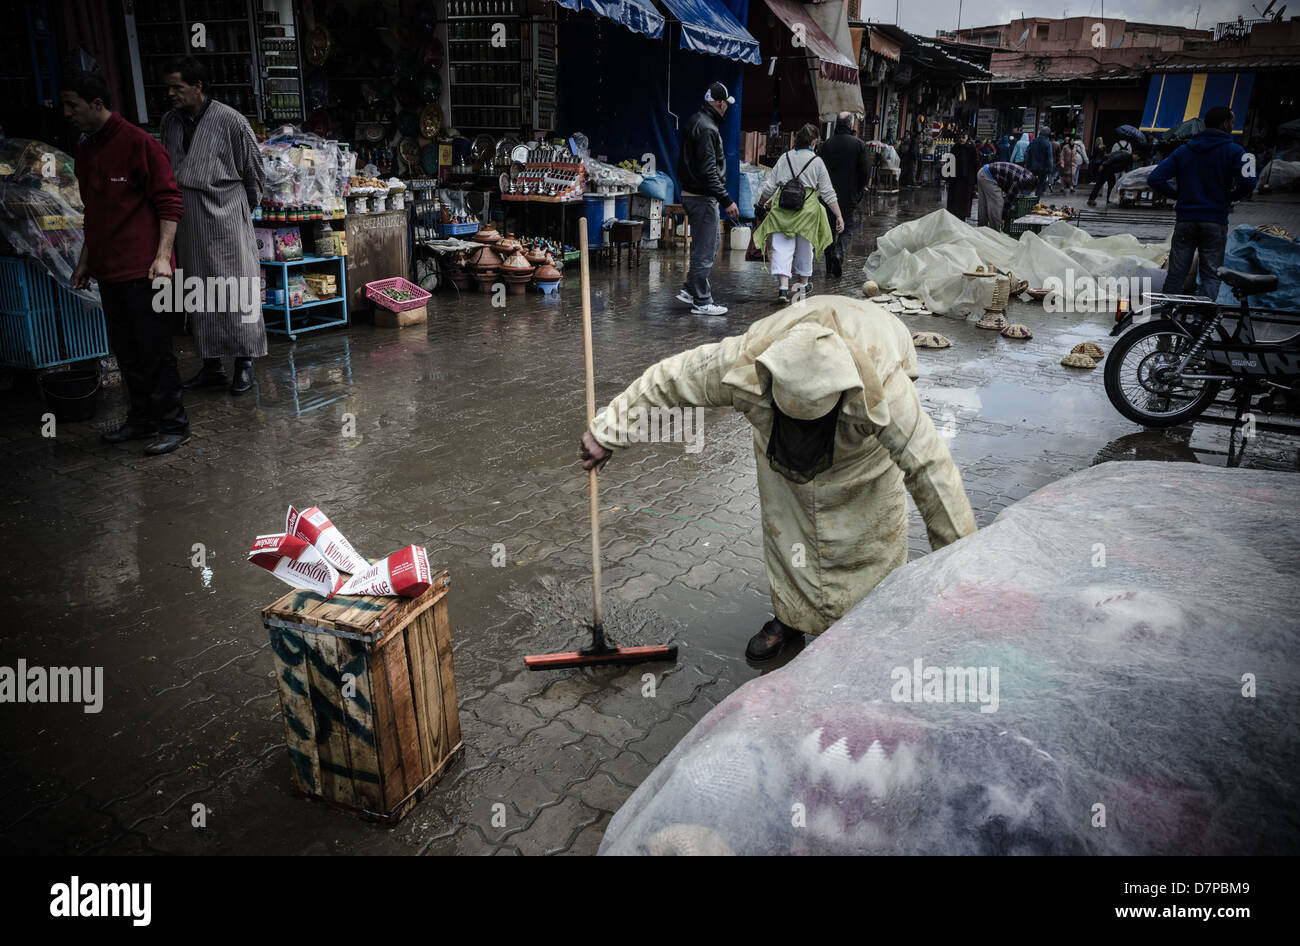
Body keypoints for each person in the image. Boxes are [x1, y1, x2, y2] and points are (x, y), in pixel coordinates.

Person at [578, 296, 977, 660]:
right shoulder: (745, 362)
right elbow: (672, 378)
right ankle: (791, 619)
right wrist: (608, 431)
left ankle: (870, 627)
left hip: (863, 435)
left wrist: (965, 586)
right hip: (776, 442)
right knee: (788, 526)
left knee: (873, 528)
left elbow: (932, 473)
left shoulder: (885, 390)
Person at [63, 70, 190, 456]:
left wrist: (162, 258)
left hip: (145, 270)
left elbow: (170, 203)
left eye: (73, 105)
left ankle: (173, 424)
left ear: (97, 104)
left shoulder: (140, 144)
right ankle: (141, 419)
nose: (66, 113)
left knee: (154, 349)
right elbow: (95, 213)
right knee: (126, 351)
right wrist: (86, 260)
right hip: (108, 269)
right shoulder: (86, 150)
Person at [160, 57, 266, 396]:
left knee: (237, 288)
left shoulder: (231, 121)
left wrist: (237, 211)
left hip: (227, 215)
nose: (171, 94)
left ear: (198, 87)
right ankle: (212, 365)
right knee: (199, 292)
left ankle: (245, 363)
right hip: (187, 221)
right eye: (169, 88)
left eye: (178, 87)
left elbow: (255, 174)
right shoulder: (170, 122)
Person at [1148, 106, 1257, 302]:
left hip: (1185, 221)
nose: (1232, 125)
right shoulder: (1234, 151)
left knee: (1176, 273)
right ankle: (1201, 322)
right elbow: (1249, 182)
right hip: (1215, 221)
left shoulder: (1184, 150)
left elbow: (1155, 178)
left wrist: (1178, 196)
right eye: (1231, 122)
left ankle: (1167, 319)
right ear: (1225, 123)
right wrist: (1228, 198)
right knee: (1210, 275)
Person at [754, 124, 843, 304]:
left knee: (781, 247)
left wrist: (761, 203)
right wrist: (839, 215)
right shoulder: (817, 161)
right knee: (805, 249)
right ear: (813, 141)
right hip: (807, 211)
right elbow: (827, 192)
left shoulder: (784, 157)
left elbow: (770, 186)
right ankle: (800, 288)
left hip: (783, 208)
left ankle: (783, 288)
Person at [676, 81, 740, 316]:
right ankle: (701, 302)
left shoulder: (697, 120)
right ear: (721, 103)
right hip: (702, 197)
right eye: (726, 105)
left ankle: (690, 290)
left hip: (694, 194)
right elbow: (709, 171)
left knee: (704, 247)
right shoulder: (707, 128)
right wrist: (726, 200)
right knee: (706, 249)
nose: (727, 109)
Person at [817, 112, 870, 278]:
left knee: (829, 230)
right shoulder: (859, 145)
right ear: (851, 125)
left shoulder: (825, 145)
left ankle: (829, 267)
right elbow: (865, 171)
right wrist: (858, 189)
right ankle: (839, 252)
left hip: (827, 196)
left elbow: (818, 169)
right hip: (848, 195)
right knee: (846, 228)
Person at [976, 160, 1037, 230]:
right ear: (1029, 185)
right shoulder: (1021, 181)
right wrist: (1003, 217)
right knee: (998, 202)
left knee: (984, 205)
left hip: (983, 172)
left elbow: (1007, 186)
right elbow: (1008, 200)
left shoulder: (1027, 175)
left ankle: (981, 230)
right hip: (987, 176)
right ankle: (995, 231)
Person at [945, 132, 979, 222]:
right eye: (960, 137)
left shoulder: (971, 148)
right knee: (955, 199)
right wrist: (948, 177)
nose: (961, 139)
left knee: (965, 200)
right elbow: (949, 162)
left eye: (963, 137)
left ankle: (962, 217)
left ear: (967, 137)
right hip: (955, 179)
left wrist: (975, 180)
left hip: (967, 179)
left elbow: (976, 164)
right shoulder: (955, 148)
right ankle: (954, 217)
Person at [1025, 132, 1054, 199]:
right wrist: (1050, 169)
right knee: (1040, 185)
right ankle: (1036, 201)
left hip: (1032, 166)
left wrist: (1027, 164)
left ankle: (1025, 198)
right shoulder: (1047, 143)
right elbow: (1050, 158)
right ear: (1047, 136)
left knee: (1030, 183)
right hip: (1043, 168)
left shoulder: (1033, 141)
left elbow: (1027, 153)